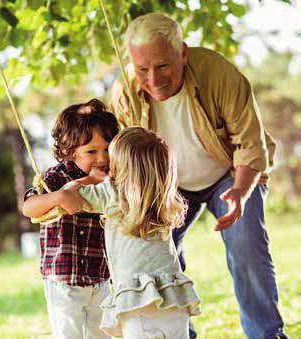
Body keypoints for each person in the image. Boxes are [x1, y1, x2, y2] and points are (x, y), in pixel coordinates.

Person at [108, 12, 288, 339]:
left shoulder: (217, 73)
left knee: (246, 247)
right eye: (142, 69)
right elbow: (123, 160)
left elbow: (250, 143)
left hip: (230, 174)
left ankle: (266, 334)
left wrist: (241, 191)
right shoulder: (124, 92)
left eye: (163, 66)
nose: (154, 79)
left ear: (183, 53)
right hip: (167, 188)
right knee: (159, 259)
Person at [57, 127, 201, 338]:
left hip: (136, 301)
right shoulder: (164, 199)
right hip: (173, 296)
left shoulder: (111, 193)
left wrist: (90, 179)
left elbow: (67, 193)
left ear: (121, 166)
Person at [22, 99, 119, 339]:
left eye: (107, 149)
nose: (102, 158)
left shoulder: (115, 179)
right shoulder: (56, 178)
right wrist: (60, 196)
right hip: (64, 279)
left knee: (102, 333)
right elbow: (29, 207)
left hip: (100, 275)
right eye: (91, 151)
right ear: (70, 151)